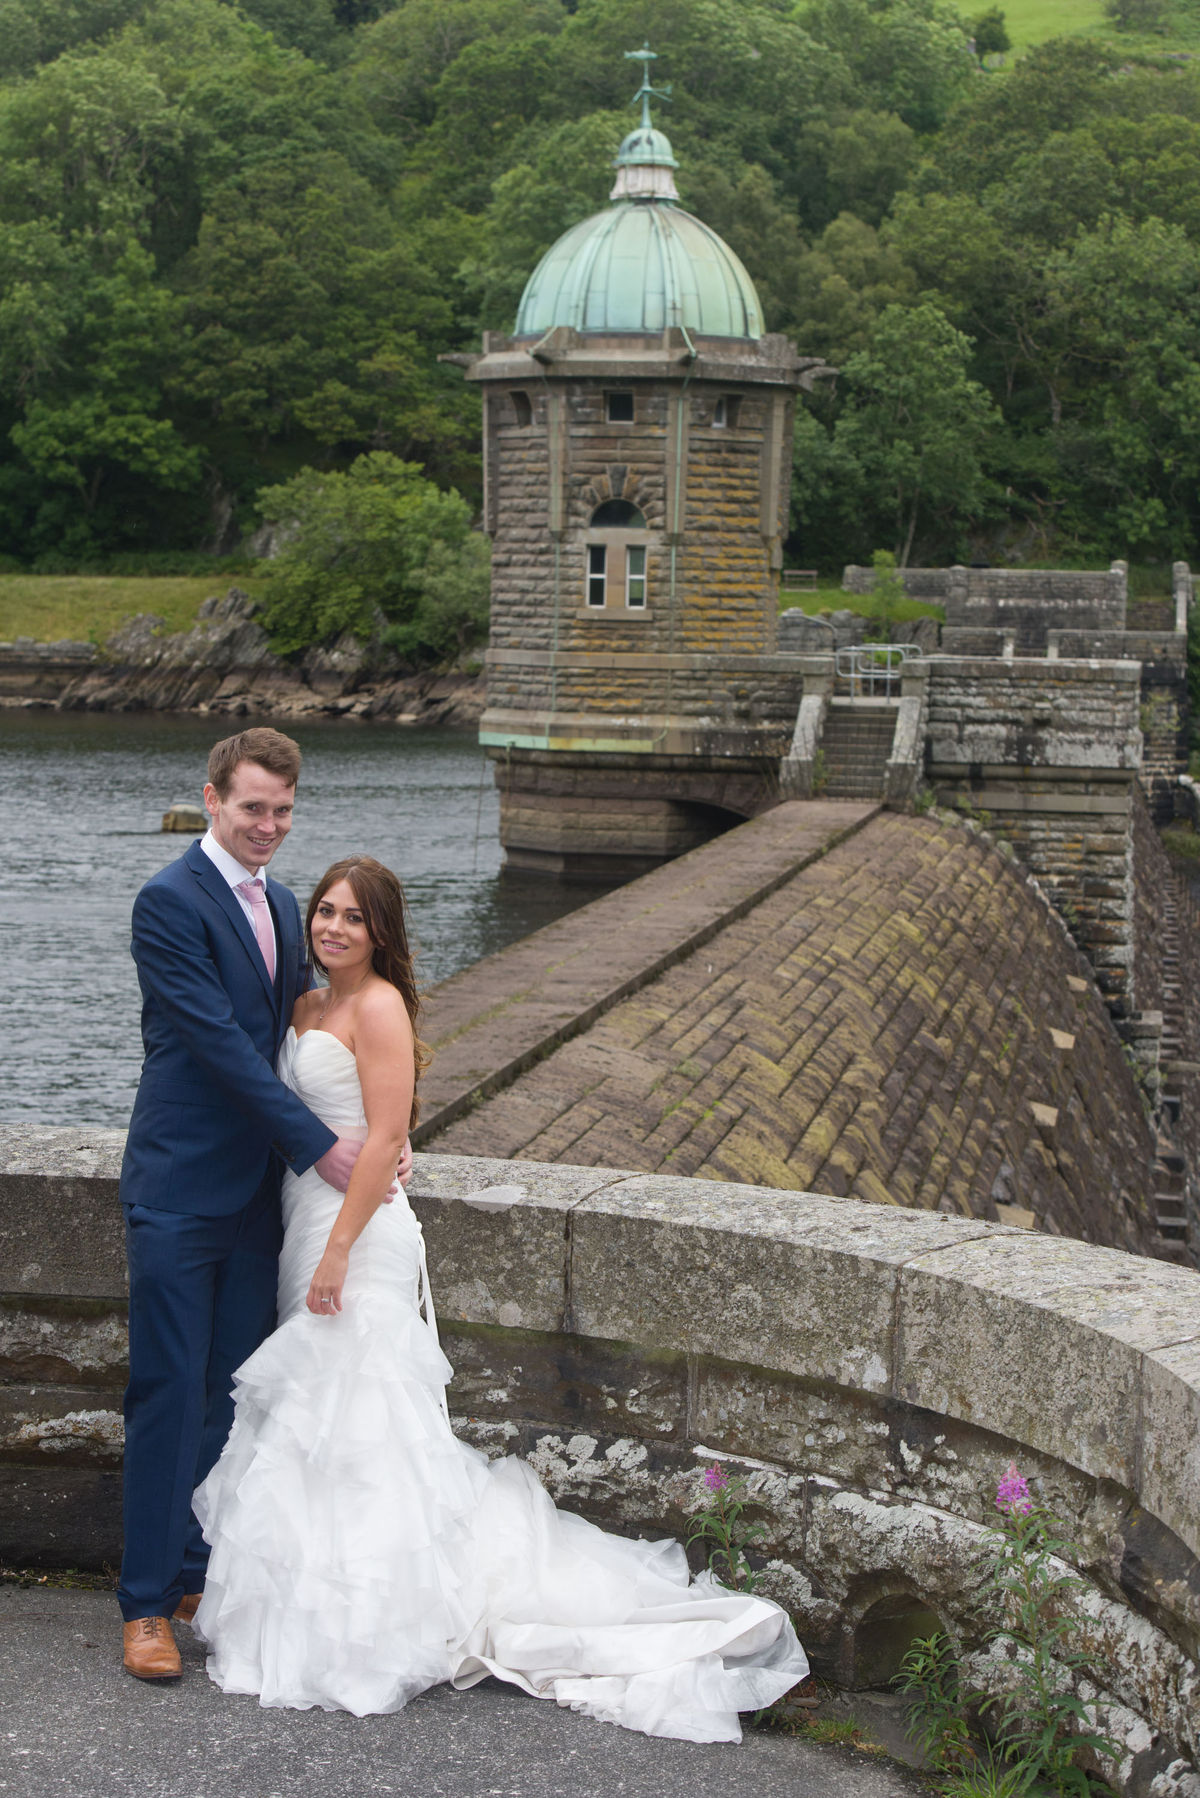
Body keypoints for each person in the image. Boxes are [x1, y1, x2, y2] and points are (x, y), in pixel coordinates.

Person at [191, 855, 808, 1740]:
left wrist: (338, 1251)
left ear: (381, 933)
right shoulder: (305, 1006)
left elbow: (386, 1137)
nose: (333, 927)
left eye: (354, 918)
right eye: (324, 911)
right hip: (304, 1219)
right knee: (318, 1419)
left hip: (357, 1236)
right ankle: (311, 1598)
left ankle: (374, 1616)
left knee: (363, 1416)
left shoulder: (380, 1006)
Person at [118, 729, 410, 1682]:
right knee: (168, 1392)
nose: (268, 826)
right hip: (180, 1186)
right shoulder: (168, 902)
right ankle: (145, 1605)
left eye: (283, 811)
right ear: (212, 800)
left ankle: (200, 1574)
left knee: (234, 1395)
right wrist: (321, 1145)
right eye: (252, 807)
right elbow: (218, 1046)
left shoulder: (285, 905)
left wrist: (382, 1134)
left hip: (263, 1201)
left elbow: (312, 1038)